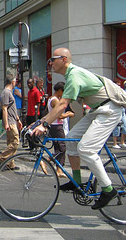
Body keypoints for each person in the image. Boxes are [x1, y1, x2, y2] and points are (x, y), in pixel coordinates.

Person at [32, 47, 123, 210]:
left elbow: (62, 105)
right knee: (72, 141)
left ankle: (108, 189)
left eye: (54, 59)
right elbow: (58, 108)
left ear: (64, 60)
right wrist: (39, 122)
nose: (51, 62)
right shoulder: (70, 76)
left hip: (109, 110)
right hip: (97, 110)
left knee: (86, 149)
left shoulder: (74, 75)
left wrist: (44, 124)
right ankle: (77, 182)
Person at [0, 75, 22, 169]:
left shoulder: (9, 92)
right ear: (12, 82)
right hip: (10, 121)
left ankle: (10, 163)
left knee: (10, 142)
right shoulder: (6, 93)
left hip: (13, 120)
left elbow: (12, 108)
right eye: (15, 81)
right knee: (15, 141)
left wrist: (18, 119)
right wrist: (6, 123)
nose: (15, 83)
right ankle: (2, 157)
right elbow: (4, 109)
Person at [45, 82, 70, 178]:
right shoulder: (55, 100)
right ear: (59, 90)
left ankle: (59, 169)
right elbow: (59, 115)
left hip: (53, 126)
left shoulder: (51, 99)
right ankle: (47, 160)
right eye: (63, 91)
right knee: (62, 148)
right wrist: (68, 114)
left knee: (58, 148)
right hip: (57, 126)